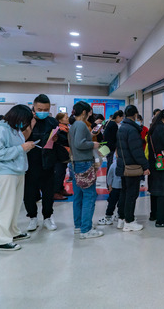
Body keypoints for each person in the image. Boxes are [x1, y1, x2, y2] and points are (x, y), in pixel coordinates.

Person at [0, 105, 36, 251]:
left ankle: (12, 231)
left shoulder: (15, 130)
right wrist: (21, 148)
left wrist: (25, 147)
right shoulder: (2, 129)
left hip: (18, 170)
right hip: (6, 172)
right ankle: (1, 239)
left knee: (15, 205)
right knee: (5, 205)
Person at [24, 94, 60, 232]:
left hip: (48, 162)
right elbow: (22, 138)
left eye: (46, 109)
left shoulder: (52, 122)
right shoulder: (27, 120)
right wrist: (31, 126)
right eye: (40, 109)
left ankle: (47, 217)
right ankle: (32, 217)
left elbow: (58, 139)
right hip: (29, 163)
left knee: (48, 192)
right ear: (33, 107)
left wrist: (56, 139)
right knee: (29, 193)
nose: (43, 112)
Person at [69, 101, 103, 239]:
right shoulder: (81, 125)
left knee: (78, 196)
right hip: (84, 163)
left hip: (76, 163)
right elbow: (80, 143)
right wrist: (93, 144)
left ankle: (79, 226)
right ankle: (86, 229)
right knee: (89, 196)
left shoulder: (73, 126)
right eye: (89, 112)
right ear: (84, 112)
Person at [116, 105, 150, 232]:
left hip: (123, 165)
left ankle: (122, 218)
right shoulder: (132, 130)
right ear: (135, 115)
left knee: (124, 192)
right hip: (132, 167)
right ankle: (129, 221)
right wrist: (145, 165)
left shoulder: (121, 128)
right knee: (132, 194)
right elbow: (137, 152)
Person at [53, 113, 71, 200]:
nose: (68, 119)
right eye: (66, 117)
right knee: (59, 173)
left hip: (64, 154)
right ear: (60, 120)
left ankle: (60, 189)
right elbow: (65, 141)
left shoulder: (66, 129)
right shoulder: (60, 130)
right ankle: (55, 192)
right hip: (60, 154)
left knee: (62, 172)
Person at [98, 155, 121, 226]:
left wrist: (109, 185)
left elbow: (109, 176)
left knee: (112, 202)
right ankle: (118, 215)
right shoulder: (121, 164)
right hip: (120, 187)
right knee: (119, 202)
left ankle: (109, 216)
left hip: (115, 187)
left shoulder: (113, 165)